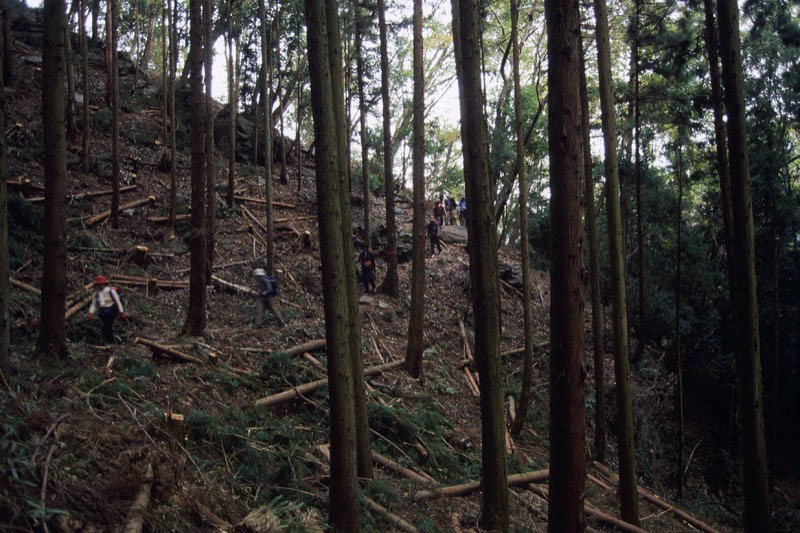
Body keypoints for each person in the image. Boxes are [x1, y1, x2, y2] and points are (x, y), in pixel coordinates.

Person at [87, 275, 125, 344]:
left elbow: (117, 301)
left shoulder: (111, 291)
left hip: (111, 309)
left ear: (104, 284)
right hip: (103, 311)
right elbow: (93, 303)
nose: (99, 286)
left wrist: (121, 312)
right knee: (105, 326)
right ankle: (108, 340)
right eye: (98, 284)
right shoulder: (96, 293)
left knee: (108, 325)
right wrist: (91, 312)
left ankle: (111, 341)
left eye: (100, 284)